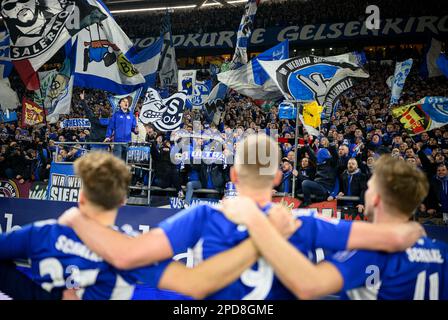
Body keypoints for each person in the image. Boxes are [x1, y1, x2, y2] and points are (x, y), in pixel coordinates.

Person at [59, 134, 425, 300]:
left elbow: (125, 255)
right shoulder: (301, 223)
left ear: (233, 175)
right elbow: (391, 237)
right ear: (279, 177)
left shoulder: (203, 216)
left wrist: (78, 218)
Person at [0, 152, 278, 300]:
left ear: (80, 196)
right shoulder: (133, 248)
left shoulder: (42, 233)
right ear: (123, 200)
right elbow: (196, 285)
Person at [222, 155, 448, 300]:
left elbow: (308, 285)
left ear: (376, 199)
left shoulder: (372, 250)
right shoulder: (441, 251)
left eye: (368, 188)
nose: (365, 193)